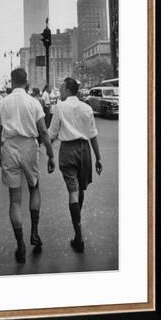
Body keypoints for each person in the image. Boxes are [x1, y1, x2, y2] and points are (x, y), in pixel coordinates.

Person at [0, 68, 55, 263]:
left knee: (15, 200)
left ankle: (20, 245)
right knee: (34, 188)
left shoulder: (2, 103)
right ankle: (35, 233)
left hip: (10, 147)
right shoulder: (34, 102)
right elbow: (44, 132)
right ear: (26, 81)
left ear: (11, 82)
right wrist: (51, 155)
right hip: (29, 146)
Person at [48, 77, 103, 252]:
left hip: (68, 152)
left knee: (73, 191)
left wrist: (44, 149)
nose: (61, 91)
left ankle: (78, 236)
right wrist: (98, 158)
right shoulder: (87, 108)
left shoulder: (60, 107)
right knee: (80, 190)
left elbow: (52, 132)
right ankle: (78, 227)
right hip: (85, 151)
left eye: (62, 88)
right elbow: (93, 134)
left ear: (67, 89)